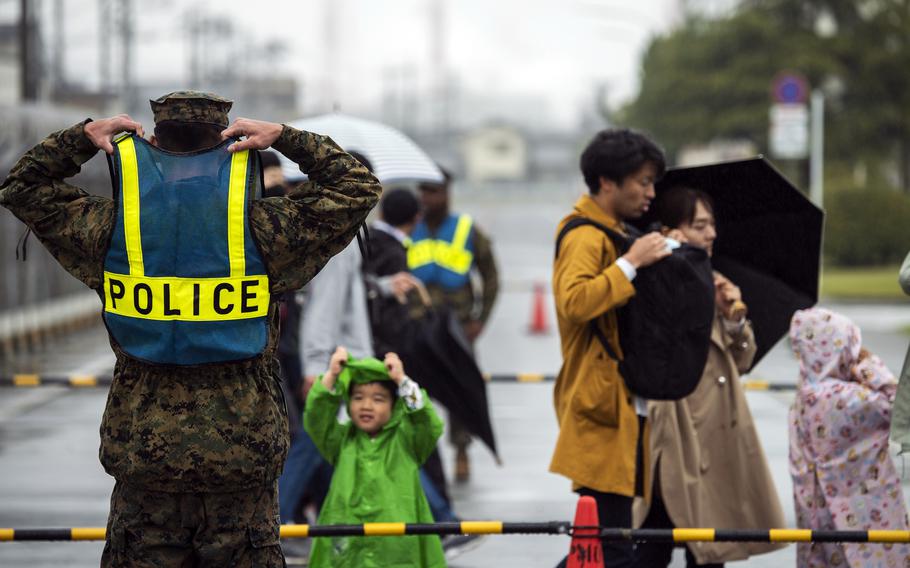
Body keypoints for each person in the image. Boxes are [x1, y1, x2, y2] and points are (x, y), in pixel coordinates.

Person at [0, 91, 381, 566]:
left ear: (154, 139)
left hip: (144, 459)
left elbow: (23, 186)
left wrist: (80, 139)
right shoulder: (266, 230)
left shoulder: (112, 228)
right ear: (230, 142)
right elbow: (358, 186)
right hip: (241, 458)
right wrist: (285, 138)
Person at [636, 186, 786, 567]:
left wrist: (733, 319)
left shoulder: (715, 281)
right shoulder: (655, 279)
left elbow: (741, 360)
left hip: (717, 428)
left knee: (711, 547)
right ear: (672, 232)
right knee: (656, 537)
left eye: (712, 225)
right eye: (700, 225)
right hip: (675, 424)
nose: (711, 234)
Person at [551, 128, 671, 568]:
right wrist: (631, 263)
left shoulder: (616, 231)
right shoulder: (586, 235)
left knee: (601, 546)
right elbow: (575, 301)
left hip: (619, 403)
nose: (650, 192)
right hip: (598, 405)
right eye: (642, 181)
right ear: (607, 182)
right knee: (612, 546)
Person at [364, 187, 486, 559]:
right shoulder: (389, 249)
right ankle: (442, 521)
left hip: (380, 358)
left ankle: (440, 519)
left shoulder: (368, 241)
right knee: (414, 438)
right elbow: (386, 315)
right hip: (390, 360)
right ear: (414, 218)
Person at [304, 347, 446, 568]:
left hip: (398, 553)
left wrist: (402, 380)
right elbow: (316, 417)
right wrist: (332, 375)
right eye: (358, 397)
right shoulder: (341, 441)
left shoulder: (408, 441)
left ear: (394, 405)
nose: (366, 406)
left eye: (378, 399)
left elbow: (427, 421)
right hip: (348, 552)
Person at [790, 307, 910, 567]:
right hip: (863, 510)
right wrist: (869, 367)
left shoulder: (803, 396)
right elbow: (899, 405)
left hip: (816, 516)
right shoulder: (847, 398)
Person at [409, 166, 500, 482]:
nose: (427, 197)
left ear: (447, 192)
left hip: (458, 325)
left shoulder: (466, 229)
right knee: (415, 391)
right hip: (417, 323)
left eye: (434, 191)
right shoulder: (409, 227)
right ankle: (420, 454)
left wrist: (480, 319)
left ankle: (461, 450)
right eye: (423, 191)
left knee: (460, 388)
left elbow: (491, 276)